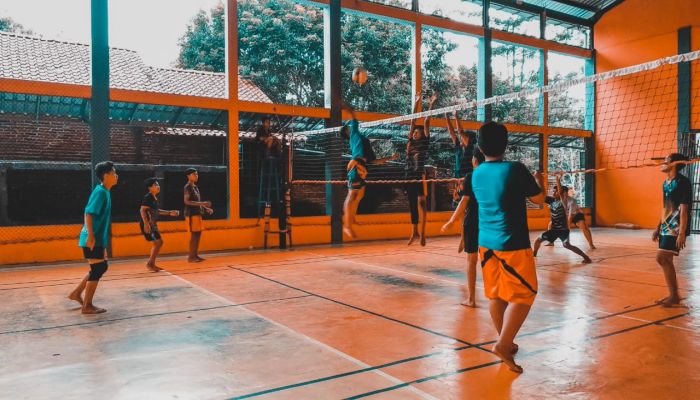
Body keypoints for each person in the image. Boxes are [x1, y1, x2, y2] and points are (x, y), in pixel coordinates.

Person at [471, 121, 546, 373]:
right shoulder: (515, 169)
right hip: (512, 244)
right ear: (506, 144)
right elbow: (539, 200)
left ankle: (506, 340)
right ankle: (502, 344)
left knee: (496, 294)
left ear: (479, 147)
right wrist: (539, 181)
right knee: (525, 296)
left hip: (486, 244)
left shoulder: (477, 173)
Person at [341, 101, 399, 238]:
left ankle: (352, 219)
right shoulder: (354, 134)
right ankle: (346, 226)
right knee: (351, 196)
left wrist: (391, 157)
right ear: (347, 132)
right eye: (347, 127)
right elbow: (353, 118)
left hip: (363, 167)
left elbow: (375, 161)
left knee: (359, 195)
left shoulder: (362, 140)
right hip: (356, 166)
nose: (349, 126)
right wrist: (348, 108)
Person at [68, 161, 118, 314]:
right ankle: (87, 306)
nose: (116, 175)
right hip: (91, 238)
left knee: (99, 267)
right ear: (106, 175)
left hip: (96, 239)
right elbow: (88, 213)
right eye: (114, 172)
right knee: (98, 268)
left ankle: (76, 294)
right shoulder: (101, 192)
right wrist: (90, 236)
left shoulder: (105, 192)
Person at [441, 147, 486, 308]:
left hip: (472, 222)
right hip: (489, 222)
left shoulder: (471, 176)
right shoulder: (493, 176)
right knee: (491, 259)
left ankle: (472, 299)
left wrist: (451, 221)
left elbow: (464, 201)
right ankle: (498, 295)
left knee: (471, 261)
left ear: (474, 161)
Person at [652, 153, 692, 307]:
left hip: (676, 227)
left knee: (662, 258)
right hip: (666, 225)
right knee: (664, 259)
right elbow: (665, 207)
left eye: (666, 161)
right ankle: (674, 296)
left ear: (675, 164)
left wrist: (682, 233)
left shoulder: (683, 183)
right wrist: (658, 226)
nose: (662, 163)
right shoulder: (665, 183)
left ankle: (674, 296)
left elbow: (684, 210)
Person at [533, 173, 592, 264]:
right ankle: (534, 254)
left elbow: (560, 192)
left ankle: (586, 257)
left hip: (563, 229)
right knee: (538, 240)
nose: (554, 192)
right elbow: (540, 196)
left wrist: (557, 179)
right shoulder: (551, 200)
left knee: (567, 245)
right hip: (554, 229)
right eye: (554, 191)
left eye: (555, 191)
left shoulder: (563, 201)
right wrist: (536, 181)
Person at [406, 93, 438, 246]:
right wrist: (416, 102)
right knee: (412, 204)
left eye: (416, 132)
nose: (414, 132)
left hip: (420, 175)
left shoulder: (424, 142)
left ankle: (423, 233)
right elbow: (412, 120)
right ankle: (414, 232)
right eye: (414, 132)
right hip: (408, 175)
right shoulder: (410, 142)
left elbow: (426, 120)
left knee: (422, 204)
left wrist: (431, 104)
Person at [140, 178, 179, 272]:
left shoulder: (153, 197)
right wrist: (146, 224)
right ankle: (150, 264)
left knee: (158, 243)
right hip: (149, 224)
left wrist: (170, 213)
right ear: (150, 188)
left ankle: (151, 264)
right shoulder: (148, 197)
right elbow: (142, 210)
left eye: (158, 184)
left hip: (152, 225)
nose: (158, 186)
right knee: (158, 242)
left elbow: (157, 211)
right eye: (155, 185)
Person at [445, 110, 476, 204]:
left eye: (464, 137)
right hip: (459, 175)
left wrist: (456, 116)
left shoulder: (471, 148)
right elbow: (452, 132)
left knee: (467, 200)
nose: (462, 138)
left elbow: (459, 131)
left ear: (469, 139)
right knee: (459, 199)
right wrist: (446, 116)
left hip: (467, 177)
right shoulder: (458, 147)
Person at [184, 168, 213, 263]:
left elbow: (198, 202)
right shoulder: (187, 187)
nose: (196, 176)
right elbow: (186, 201)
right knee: (193, 236)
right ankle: (190, 257)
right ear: (188, 176)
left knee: (198, 234)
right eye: (194, 174)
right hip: (191, 214)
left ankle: (195, 255)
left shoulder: (195, 187)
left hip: (197, 213)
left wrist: (205, 208)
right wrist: (203, 203)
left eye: (197, 174)